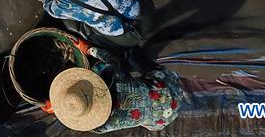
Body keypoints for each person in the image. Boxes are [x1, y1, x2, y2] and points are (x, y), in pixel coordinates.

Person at [48, 54, 182, 133]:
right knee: (131, 53)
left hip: (162, 120)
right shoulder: (112, 75)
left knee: (143, 109)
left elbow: (88, 123)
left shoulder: (101, 127)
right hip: (169, 88)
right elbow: (109, 59)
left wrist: (58, 107)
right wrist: (89, 50)